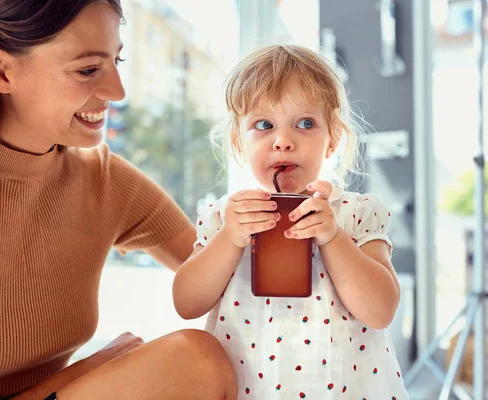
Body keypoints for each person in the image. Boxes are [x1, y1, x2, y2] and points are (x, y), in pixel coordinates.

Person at [0, 1, 237, 399]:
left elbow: (224, 276)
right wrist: (82, 372)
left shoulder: (103, 180)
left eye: (117, 61)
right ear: (0, 70)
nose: (117, 91)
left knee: (198, 361)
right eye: (87, 70)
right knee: (194, 359)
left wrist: (336, 239)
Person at [173, 45, 409, 399]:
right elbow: (186, 304)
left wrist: (333, 238)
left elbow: (380, 311)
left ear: (333, 140)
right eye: (264, 125)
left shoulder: (354, 213)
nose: (283, 141)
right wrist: (229, 239)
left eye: (305, 123)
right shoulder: (224, 217)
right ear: (238, 141)